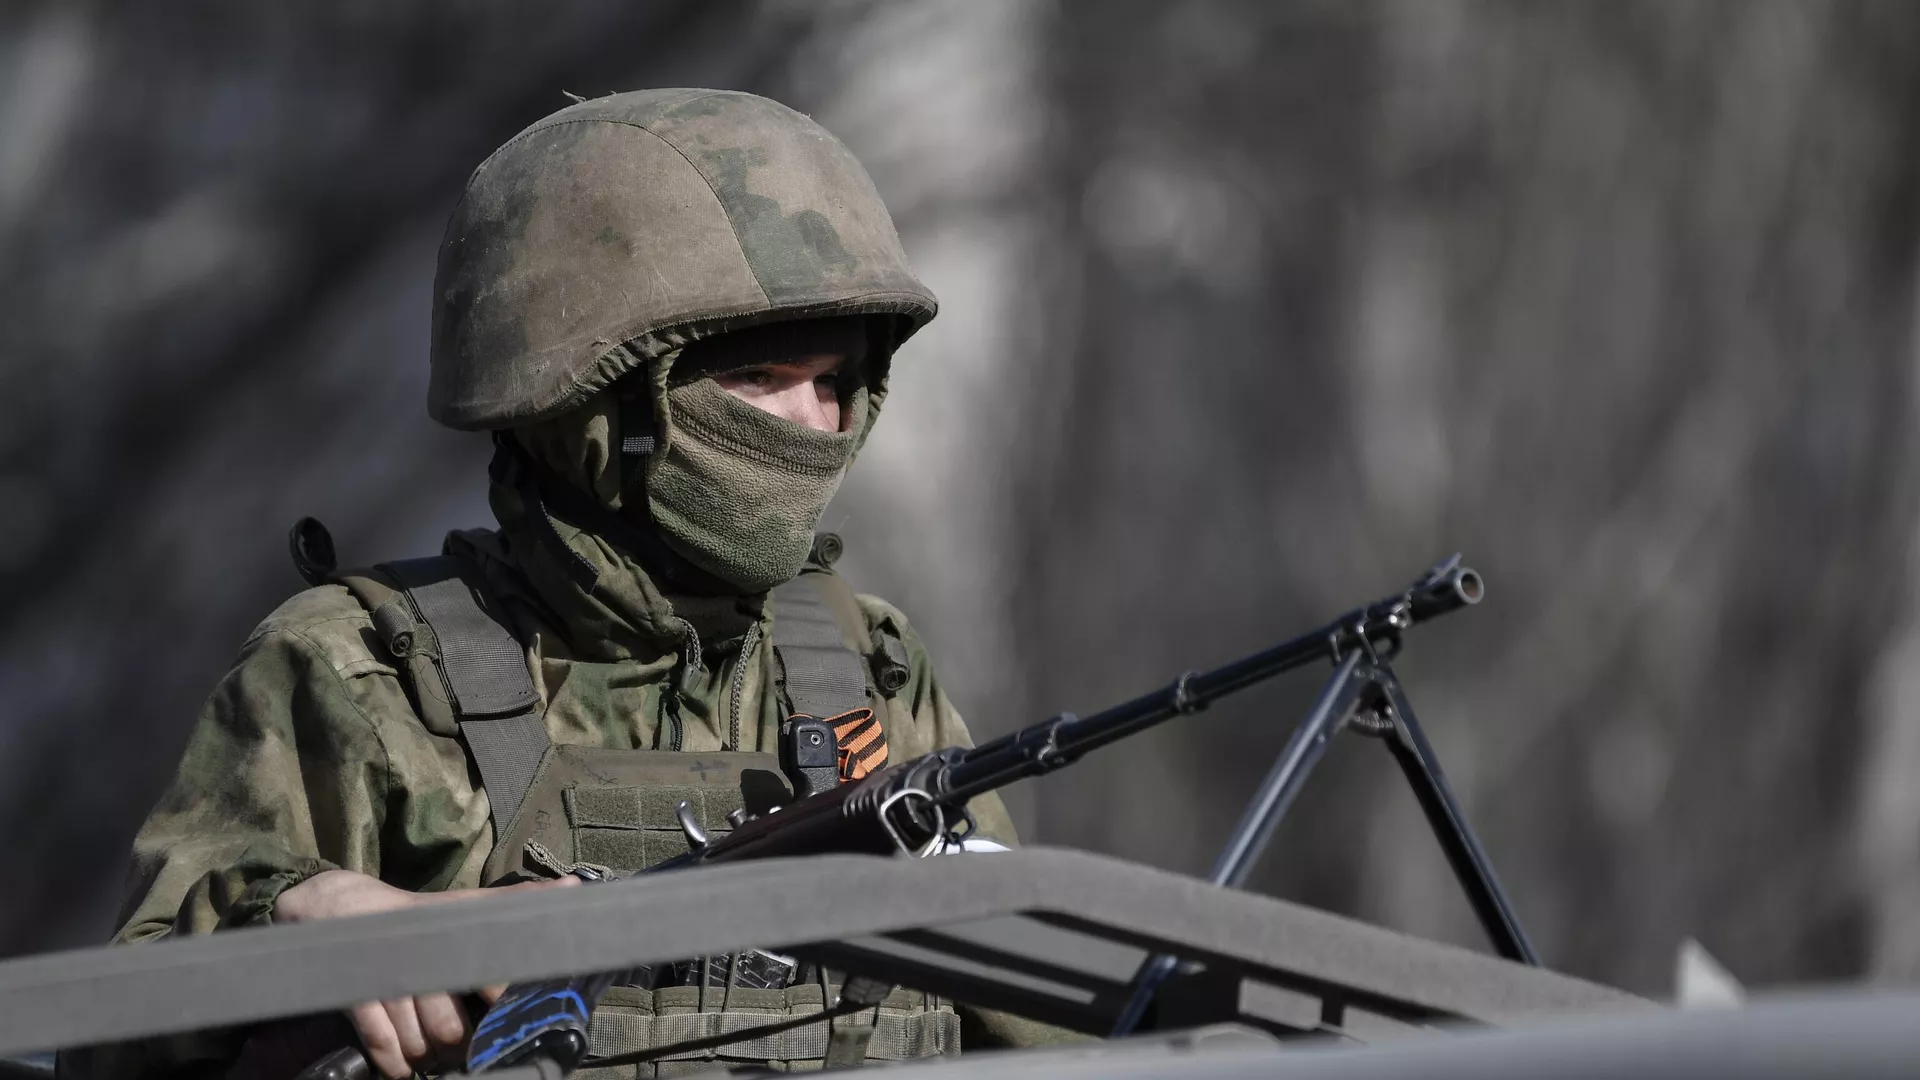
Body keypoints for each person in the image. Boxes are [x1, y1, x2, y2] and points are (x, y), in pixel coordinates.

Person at [69, 88, 1023, 1079]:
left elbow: (1058, 1022)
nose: (814, 425)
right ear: (592, 404)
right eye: (760, 378)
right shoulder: (364, 679)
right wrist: (297, 918)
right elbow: (118, 1039)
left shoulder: (864, 669)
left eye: (833, 382)